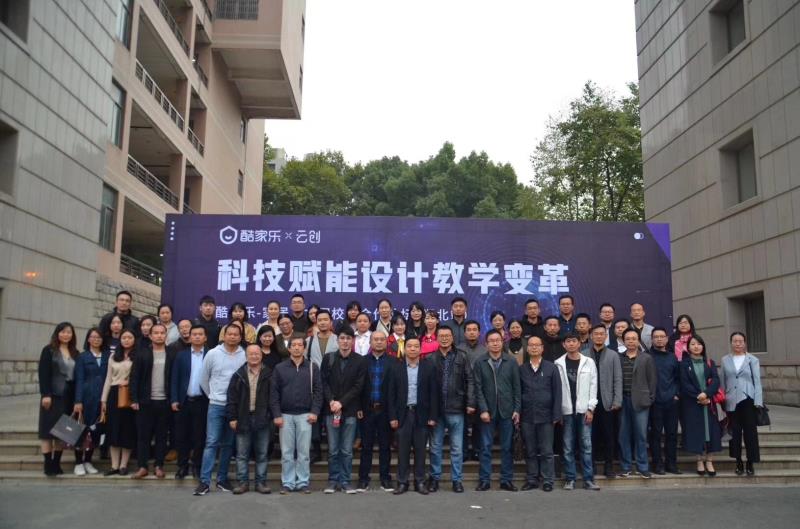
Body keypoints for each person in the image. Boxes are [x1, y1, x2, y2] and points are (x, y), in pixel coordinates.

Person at [194, 324, 246, 496]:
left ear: (240, 337)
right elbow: (203, 379)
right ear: (224, 335)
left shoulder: (244, 354)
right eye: (229, 334)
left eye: (236, 334)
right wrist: (213, 395)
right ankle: (204, 481)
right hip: (216, 405)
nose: (232, 337)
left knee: (228, 444)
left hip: (235, 407)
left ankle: (222, 479)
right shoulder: (213, 354)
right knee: (211, 442)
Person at [271, 334, 323, 494]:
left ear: (304, 348)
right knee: (287, 452)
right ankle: (287, 482)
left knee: (304, 452)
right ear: (289, 348)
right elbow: (274, 393)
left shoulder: (312, 367)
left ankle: (302, 482)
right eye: (293, 345)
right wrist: (276, 414)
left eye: (300, 345)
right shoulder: (280, 368)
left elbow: (318, 392)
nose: (297, 348)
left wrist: (314, 411)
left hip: (305, 415)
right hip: (285, 415)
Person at [389, 336, 439, 495]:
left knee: (420, 451)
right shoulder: (396, 367)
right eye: (409, 346)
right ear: (404, 348)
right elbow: (390, 395)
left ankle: (420, 482)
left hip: (421, 414)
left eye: (416, 346)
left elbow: (434, 393)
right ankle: (402, 482)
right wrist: (392, 417)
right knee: (402, 451)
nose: (412, 349)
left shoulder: (429, 367)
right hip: (403, 414)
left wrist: (433, 416)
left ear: (420, 348)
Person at [428, 325, 475, 493]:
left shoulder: (462, 356)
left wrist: (470, 402)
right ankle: (434, 478)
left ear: (452, 338)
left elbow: (470, 380)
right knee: (435, 447)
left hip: (457, 408)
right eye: (441, 336)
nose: (444, 338)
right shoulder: (431, 358)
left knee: (456, 448)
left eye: (447, 336)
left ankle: (457, 480)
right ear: (437, 338)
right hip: (437, 410)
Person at [474, 329, 521, 491]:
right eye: (491, 341)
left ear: (502, 342)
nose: (495, 343)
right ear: (486, 344)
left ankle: (506, 480)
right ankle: (484, 480)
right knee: (485, 447)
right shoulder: (480, 362)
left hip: (507, 411)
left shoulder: (511, 361)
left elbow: (517, 387)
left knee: (507, 448)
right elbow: (478, 388)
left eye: (498, 340)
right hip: (488, 411)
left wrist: (517, 409)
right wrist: (483, 409)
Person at [321, 327, 366, 494]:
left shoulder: (360, 360)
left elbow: (358, 386)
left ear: (352, 341)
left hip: (350, 411)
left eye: (348, 338)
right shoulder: (329, 358)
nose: (345, 341)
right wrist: (331, 401)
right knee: (333, 450)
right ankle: (333, 480)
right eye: (342, 338)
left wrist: (341, 402)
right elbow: (323, 382)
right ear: (337, 340)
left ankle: (345, 480)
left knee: (347, 450)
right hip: (331, 409)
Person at [555, 332, 600, 491]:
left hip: (584, 410)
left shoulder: (589, 362)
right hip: (566, 411)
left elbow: (594, 386)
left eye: (574, 341)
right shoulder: (558, 363)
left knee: (586, 446)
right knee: (568, 447)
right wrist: (558, 411)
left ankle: (588, 479)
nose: (571, 344)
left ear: (579, 343)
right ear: (564, 344)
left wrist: (591, 408)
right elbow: (556, 390)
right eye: (568, 341)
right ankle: (570, 479)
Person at [130, 323, 176, 479]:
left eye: (162, 333)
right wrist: (134, 398)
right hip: (145, 402)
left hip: (164, 401)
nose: (159, 335)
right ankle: (142, 466)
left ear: (166, 335)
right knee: (143, 436)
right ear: (150, 336)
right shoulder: (142, 353)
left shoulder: (171, 353)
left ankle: (158, 466)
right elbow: (134, 377)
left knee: (161, 436)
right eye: (156, 333)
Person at [227, 344, 273, 494]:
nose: (254, 356)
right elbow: (231, 398)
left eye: (257, 354)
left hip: (262, 418)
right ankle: (243, 483)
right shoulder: (238, 375)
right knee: (242, 454)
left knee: (262, 454)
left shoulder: (269, 374)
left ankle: (261, 483)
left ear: (261, 355)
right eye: (251, 354)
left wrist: (270, 415)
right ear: (246, 356)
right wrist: (232, 417)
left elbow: (274, 397)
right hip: (243, 418)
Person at [519, 335, 562, 492]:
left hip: (546, 416)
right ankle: (532, 479)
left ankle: (548, 480)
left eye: (537, 345)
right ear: (527, 348)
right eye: (531, 345)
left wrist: (556, 415)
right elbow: (518, 392)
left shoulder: (551, 368)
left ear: (542, 348)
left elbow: (558, 392)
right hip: (527, 415)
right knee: (530, 450)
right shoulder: (522, 369)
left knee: (546, 451)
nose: (534, 347)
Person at [357, 331, 397, 492]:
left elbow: (396, 390)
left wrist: (394, 413)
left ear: (386, 342)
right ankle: (363, 479)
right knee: (366, 446)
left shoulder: (394, 362)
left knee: (385, 447)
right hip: (367, 410)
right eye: (375, 339)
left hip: (385, 411)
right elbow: (358, 387)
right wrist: (359, 407)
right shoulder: (362, 361)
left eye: (382, 339)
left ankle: (385, 478)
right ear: (370, 342)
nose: (379, 342)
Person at [38, 322, 78, 476]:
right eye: (63, 332)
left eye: (69, 332)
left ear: (72, 335)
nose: (66, 335)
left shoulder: (75, 352)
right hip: (53, 395)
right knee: (47, 431)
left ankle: (56, 463)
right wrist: (46, 394)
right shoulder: (48, 350)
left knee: (62, 432)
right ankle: (48, 463)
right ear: (57, 333)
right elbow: (44, 373)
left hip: (68, 397)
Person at [720, 332, 763, 476]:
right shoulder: (725, 360)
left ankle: (750, 462)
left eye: (740, 341)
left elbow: (757, 381)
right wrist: (722, 400)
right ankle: (738, 461)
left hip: (748, 399)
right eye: (735, 341)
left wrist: (758, 401)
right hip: (731, 399)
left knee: (750, 432)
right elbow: (723, 381)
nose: (737, 343)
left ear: (744, 343)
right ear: (731, 343)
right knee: (735, 432)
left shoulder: (752, 360)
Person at [679, 334, 722, 477]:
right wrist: (699, 396)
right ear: (688, 347)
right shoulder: (684, 364)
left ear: (703, 346)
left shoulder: (709, 362)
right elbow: (684, 383)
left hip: (709, 403)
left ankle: (709, 460)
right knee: (696, 432)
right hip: (693, 403)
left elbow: (716, 380)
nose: (696, 346)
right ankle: (699, 460)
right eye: (693, 344)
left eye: (698, 344)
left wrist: (707, 394)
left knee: (712, 431)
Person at [617, 329, 656, 478]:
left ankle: (642, 467)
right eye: (628, 339)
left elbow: (652, 380)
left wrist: (650, 399)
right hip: (623, 401)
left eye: (634, 338)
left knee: (641, 435)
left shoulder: (646, 358)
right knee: (623, 435)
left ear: (638, 340)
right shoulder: (619, 358)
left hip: (641, 401)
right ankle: (626, 466)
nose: (631, 341)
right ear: (623, 341)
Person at [170, 324, 209, 480]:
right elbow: (174, 378)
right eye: (194, 334)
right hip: (184, 401)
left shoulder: (211, 355)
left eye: (200, 334)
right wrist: (174, 399)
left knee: (199, 437)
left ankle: (197, 466)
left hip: (202, 401)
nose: (197, 337)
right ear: (190, 337)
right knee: (182, 436)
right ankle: (182, 466)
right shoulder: (182, 355)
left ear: (205, 337)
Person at [101, 328, 137, 476]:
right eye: (124, 338)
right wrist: (103, 399)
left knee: (127, 429)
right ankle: (114, 465)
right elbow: (108, 379)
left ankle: (123, 465)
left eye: (130, 337)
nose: (126, 340)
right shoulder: (113, 356)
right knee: (113, 429)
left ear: (134, 339)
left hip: (129, 394)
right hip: (114, 394)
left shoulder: (138, 356)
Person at [587, 324, 622, 478]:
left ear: (606, 336)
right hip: (589, 403)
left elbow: (618, 378)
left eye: (602, 334)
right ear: (591, 336)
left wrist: (617, 400)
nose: (599, 336)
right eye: (596, 334)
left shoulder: (613, 355)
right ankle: (591, 466)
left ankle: (609, 467)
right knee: (590, 437)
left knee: (609, 436)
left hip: (607, 401)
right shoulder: (584, 354)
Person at [73, 327, 109, 475]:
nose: (96, 340)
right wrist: (78, 401)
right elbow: (79, 379)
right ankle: (78, 462)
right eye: (93, 337)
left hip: (101, 399)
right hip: (86, 398)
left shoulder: (107, 356)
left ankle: (88, 461)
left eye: (99, 337)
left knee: (95, 431)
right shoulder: (82, 357)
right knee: (81, 430)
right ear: (88, 339)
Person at [648, 326, 681, 475]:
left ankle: (671, 464)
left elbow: (678, 378)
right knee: (655, 434)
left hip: (671, 401)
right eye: (656, 337)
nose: (659, 339)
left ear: (667, 339)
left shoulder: (672, 357)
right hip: (654, 402)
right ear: (652, 339)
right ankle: (657, 464)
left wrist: (677, 394)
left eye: (662, 336)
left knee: (672, 434)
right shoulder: (647, 357)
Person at [306, 309, 337, 463]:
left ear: (331, 322)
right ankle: (316, 450)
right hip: (314, 385)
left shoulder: (338, 339)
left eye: (326, 319)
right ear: (316, 322)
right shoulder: (309, 341)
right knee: (315, 418)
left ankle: (333, 451)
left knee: (332, 418)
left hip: (333, 385)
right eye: (320, 320)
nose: (323, 322)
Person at [461, 319, 486, 462]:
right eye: (469, 330)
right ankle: (464, 451)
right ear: (464, 333)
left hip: (480, 391)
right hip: (461, 392)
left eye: (474, 330)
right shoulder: (458, 349)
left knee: (478, 424)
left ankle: (477, 450)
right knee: (462, 425)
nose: (471, 332)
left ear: (479, 332)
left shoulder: (485, 350)